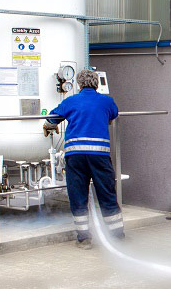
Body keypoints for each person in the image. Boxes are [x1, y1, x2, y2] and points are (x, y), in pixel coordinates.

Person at [43, 68, 124, 249]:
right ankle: (117, 236)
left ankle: (84, 238)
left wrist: (48, 126)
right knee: (106, 193)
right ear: (96, 84)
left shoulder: (71, 101)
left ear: (79, 84)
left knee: (78, 195)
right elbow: (114, 115)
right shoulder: (106, 101)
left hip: (76, 156)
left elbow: (52, 118)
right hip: (100, 156)